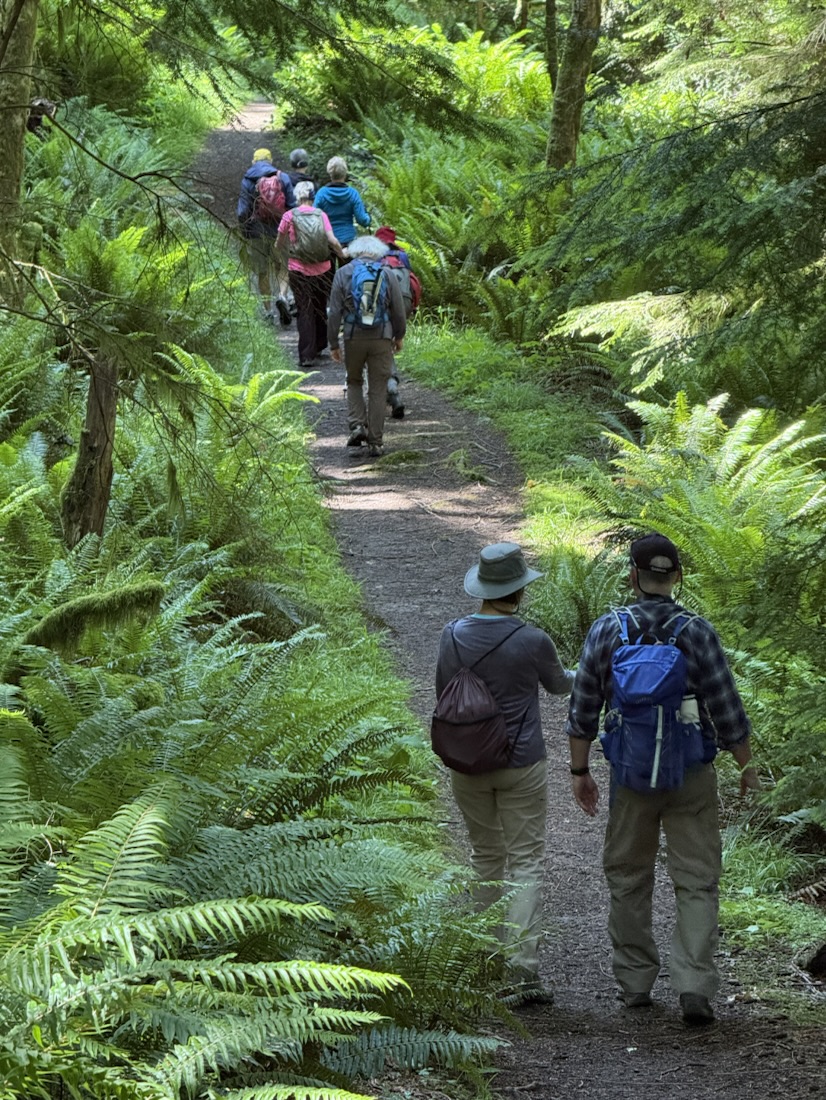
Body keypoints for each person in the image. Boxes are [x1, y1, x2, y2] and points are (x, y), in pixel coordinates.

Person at [566, 532, 760, 1026]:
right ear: (676, 577)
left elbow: (584, 705)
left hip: (631, 774)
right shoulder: (697, 631)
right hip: (691, 770)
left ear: (632, 576)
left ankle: (634, 984)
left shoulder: (608, 629)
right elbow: (726, 705)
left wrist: (580, 770)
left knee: (628, 875)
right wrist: (745, 764)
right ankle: (694, 984)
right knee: (697, 880)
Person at [435, 542, 574, 1004]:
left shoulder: (451, 635)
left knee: (484, 857)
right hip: (521, 764)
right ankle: (523, 969)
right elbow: (559, 687)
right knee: (526, 861)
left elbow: (443, 694)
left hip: (467, 762)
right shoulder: (532, 639)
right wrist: (589, 670)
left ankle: (484, 959)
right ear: (519, 590)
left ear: (483, 587)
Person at [327, 235, 406, 459]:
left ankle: (357, 425)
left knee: (353, 380)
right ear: (377, 252)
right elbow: (398, 310)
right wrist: (398, 336)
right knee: (378, 387)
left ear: (354, 251)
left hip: (353, 336)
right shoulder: (387, 273)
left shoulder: (343, 273)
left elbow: (334, 311)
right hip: (381, 336)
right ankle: (376, 442)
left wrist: (333, 342)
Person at [276, 181, 346, 367]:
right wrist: (341, 253)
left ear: (296, 197)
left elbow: (279, 243)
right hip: (322, 269)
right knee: (319, 306)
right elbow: (332, 240)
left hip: (298, 270)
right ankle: (320, 344)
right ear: (313, 196)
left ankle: (307, 354)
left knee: (304, 309)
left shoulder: (289, 216)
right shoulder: (321, 215)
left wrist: (283, 250)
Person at [236, 147, 296, 325]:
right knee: (282, 267)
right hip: (280, 232)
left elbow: (242, 211)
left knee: (262, 272)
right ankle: (283, 296)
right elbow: (292, 206)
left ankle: (268, 311)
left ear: (253, 162)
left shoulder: (248, 180)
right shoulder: (282, 177)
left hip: (256, 233)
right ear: (270, 161)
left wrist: (245, 231)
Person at [374, 226, 422, 420]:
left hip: (381, 306)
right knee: (388, 344)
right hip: (403, 304)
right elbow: (411, 281)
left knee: (381, 346)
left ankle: (392, 387)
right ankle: (391, 388)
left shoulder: (373, 256)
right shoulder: (402, 256)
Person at [313, 156, 371, 263]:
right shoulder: (353, 194)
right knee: (348, 275)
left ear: (329, 173)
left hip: (328, 241)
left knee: (328, 277)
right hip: (349, 242)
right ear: (345, 173)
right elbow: (362, 220)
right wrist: (369, 218)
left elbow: (314, 218)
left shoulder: (321, 194)